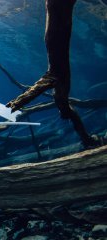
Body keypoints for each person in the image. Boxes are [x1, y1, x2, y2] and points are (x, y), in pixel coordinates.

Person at [6, 0, 101, 148]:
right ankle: (87, 140)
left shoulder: (54, 78)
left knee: (66, 108)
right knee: (66, 109)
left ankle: (87, 140)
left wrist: (15, 104)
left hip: (57, 74)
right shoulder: (56, 81)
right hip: (58, 76)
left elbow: (38, 90)